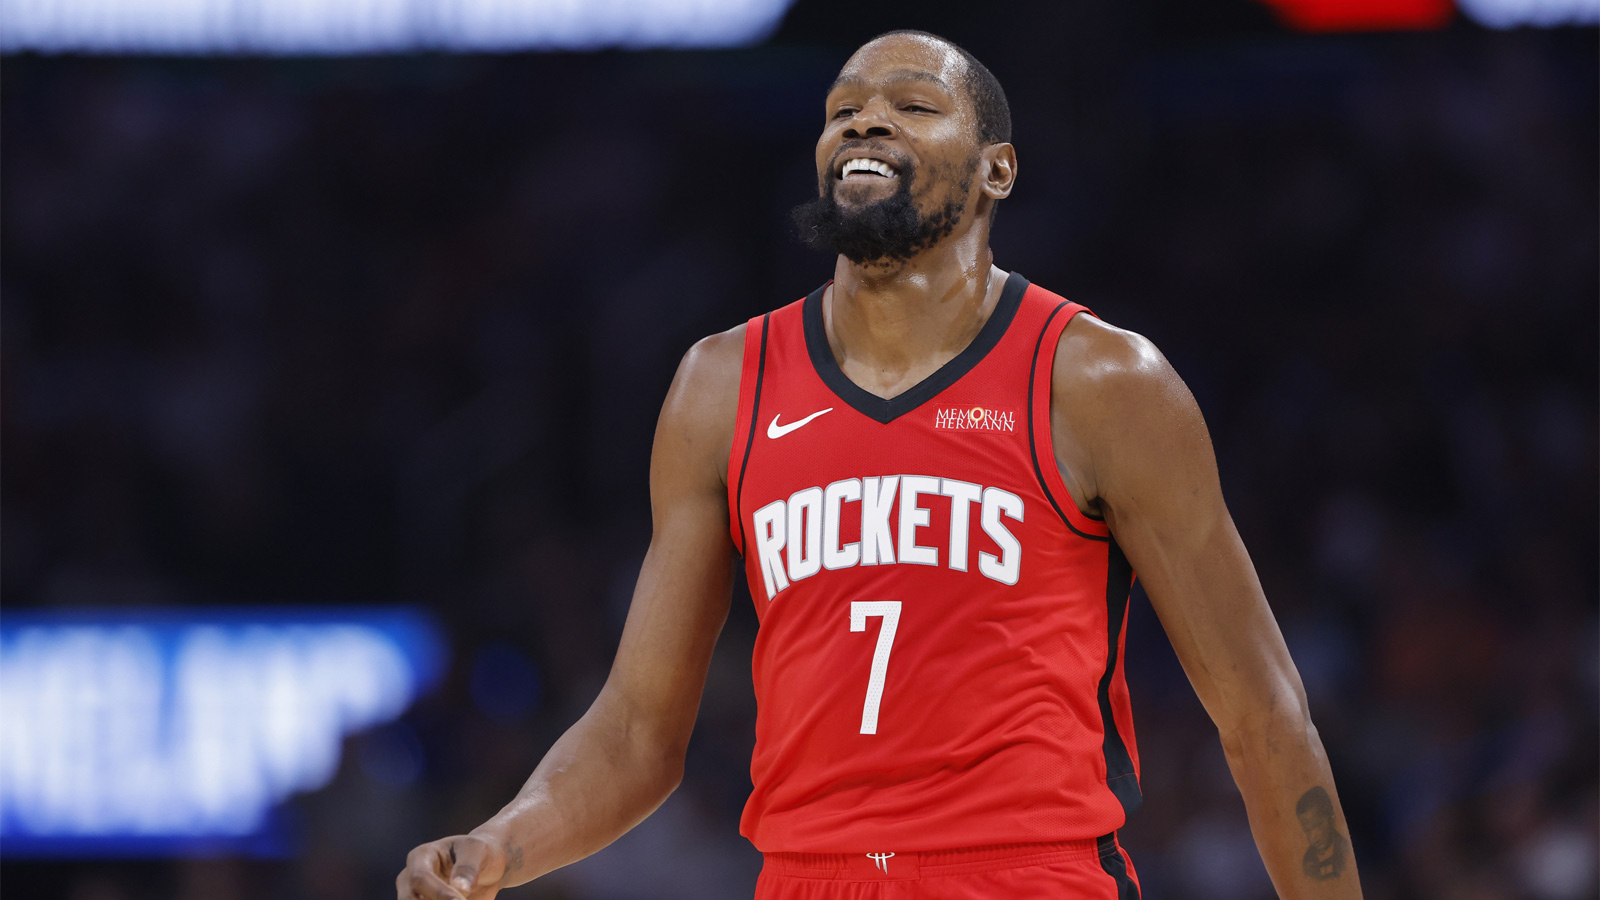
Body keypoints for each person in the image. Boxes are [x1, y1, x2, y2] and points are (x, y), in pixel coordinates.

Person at [397, 30, 1363, 900]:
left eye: (913, 103)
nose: (865, 120)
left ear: (997, 169)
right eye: (844, 109)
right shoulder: (721, 386)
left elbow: (1263, 715)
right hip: (807, 878)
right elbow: (637, 731)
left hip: (1027, 874)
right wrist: (499, 845)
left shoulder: (1101, 382)